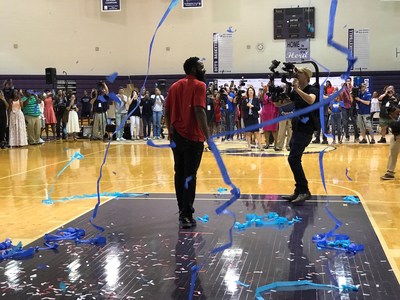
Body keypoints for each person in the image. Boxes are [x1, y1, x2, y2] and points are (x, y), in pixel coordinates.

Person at [165, 56, 210, 229]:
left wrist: (170, 129)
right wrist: (208, 136)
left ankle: (181, 208)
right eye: (201, 67)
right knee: (190, 175)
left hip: (177, 137)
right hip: (193, 137)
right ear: (193, 69)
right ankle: (187, 214)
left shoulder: (175, 86)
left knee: (180, 173)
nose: (204, 70)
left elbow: (167, 110)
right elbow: (199, 111)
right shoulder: (200, 85)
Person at [282, 67, 319, 204]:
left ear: (307, 76)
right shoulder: (295, 92)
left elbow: (311, 100)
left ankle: (304, 190)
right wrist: (274, 95)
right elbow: (281, 103)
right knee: (293, 158)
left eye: (300, 73)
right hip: (297, 128)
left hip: (306, 129)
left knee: (293, 158)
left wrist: (297, 89)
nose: (297, 74)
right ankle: (299, 190)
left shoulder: (312, 89)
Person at [380, 103, 400, 180]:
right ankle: (390, 172)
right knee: (392, 153)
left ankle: (390, 172)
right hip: (396, 136)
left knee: (393, 153)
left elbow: (396, 125)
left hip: (398, 134)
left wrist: (391, 117)